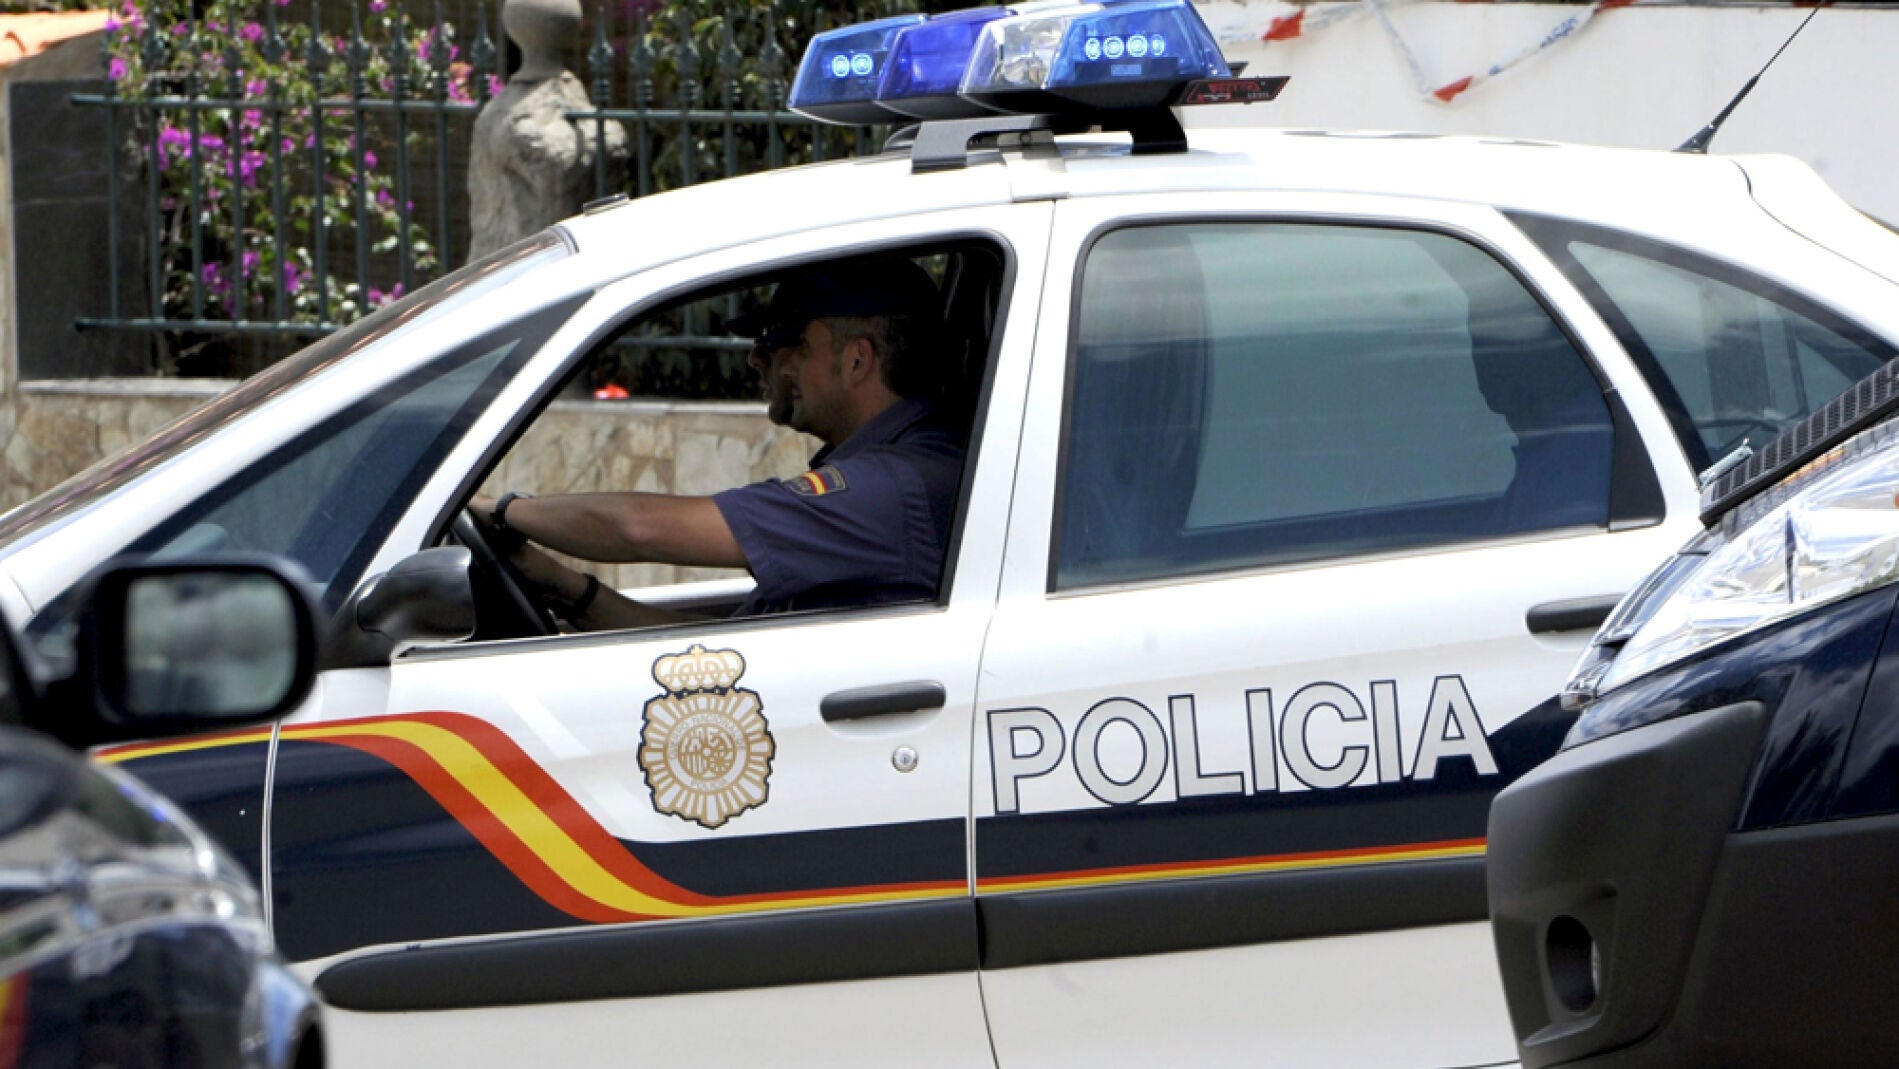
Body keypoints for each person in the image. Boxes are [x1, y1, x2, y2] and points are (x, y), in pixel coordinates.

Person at [470, 256, 967, 630]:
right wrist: (561, 584)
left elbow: (638, 527)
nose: (759, 360)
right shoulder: (899, 472)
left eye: (783, 342)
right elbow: (710, 663)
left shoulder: (887, 492)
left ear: (858, 360)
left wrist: (499, 510)